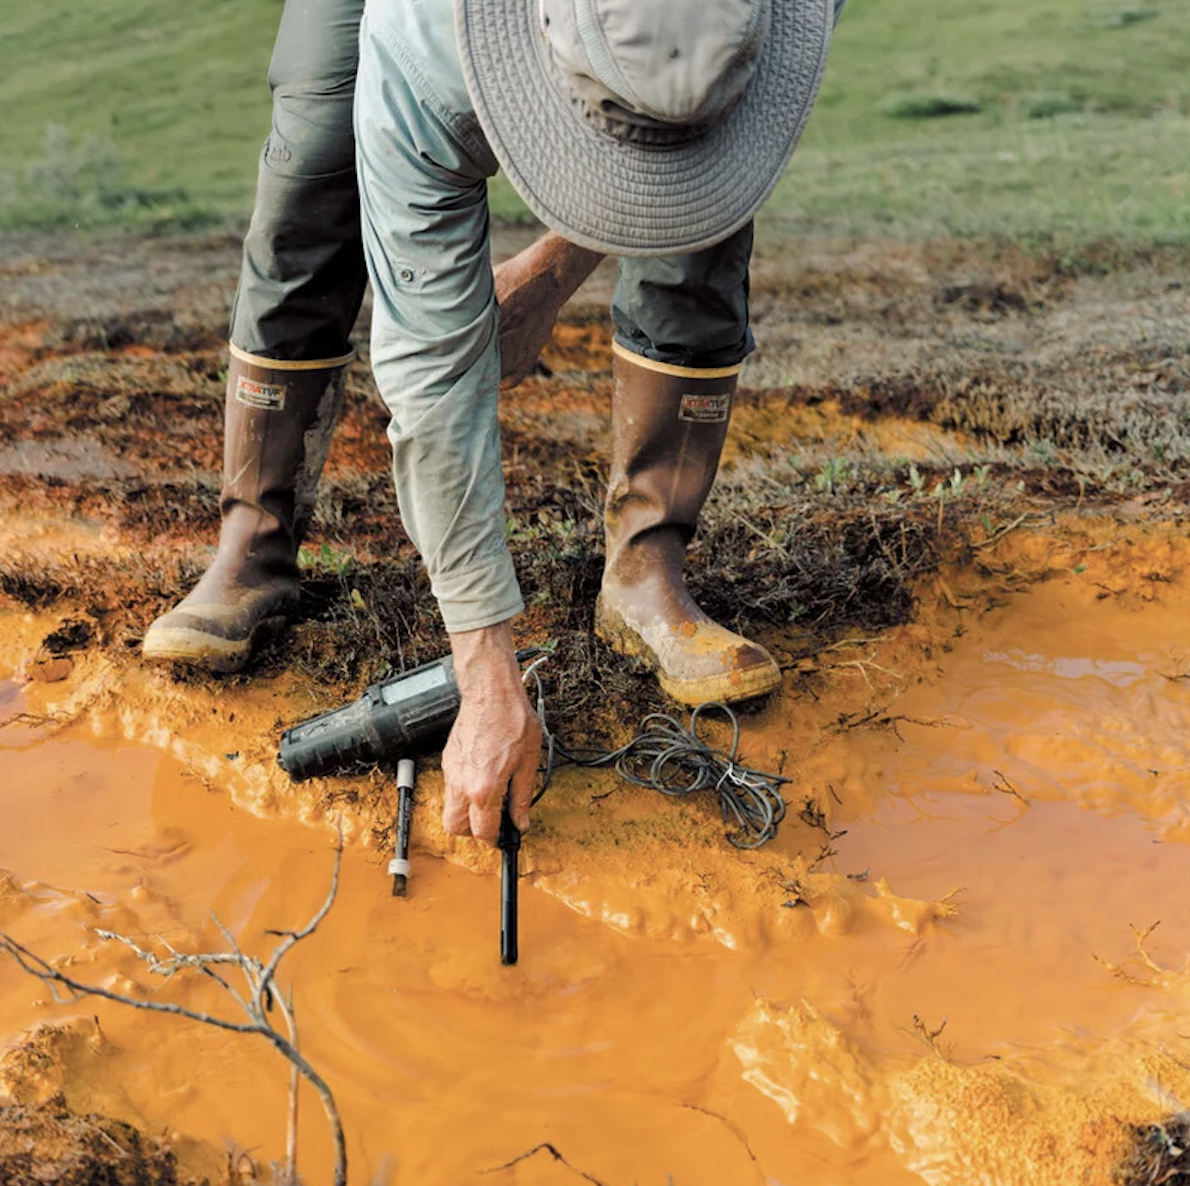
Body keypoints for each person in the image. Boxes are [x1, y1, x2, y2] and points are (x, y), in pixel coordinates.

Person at [354, 0, 837, 845]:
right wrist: (487, 675)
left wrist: (552, 265)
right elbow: (432, 374)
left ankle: (645, 574)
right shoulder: (420, 53)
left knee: (705, 227)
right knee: (305, 166)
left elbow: (672, 139)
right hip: (427, 50)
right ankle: (251, 547)